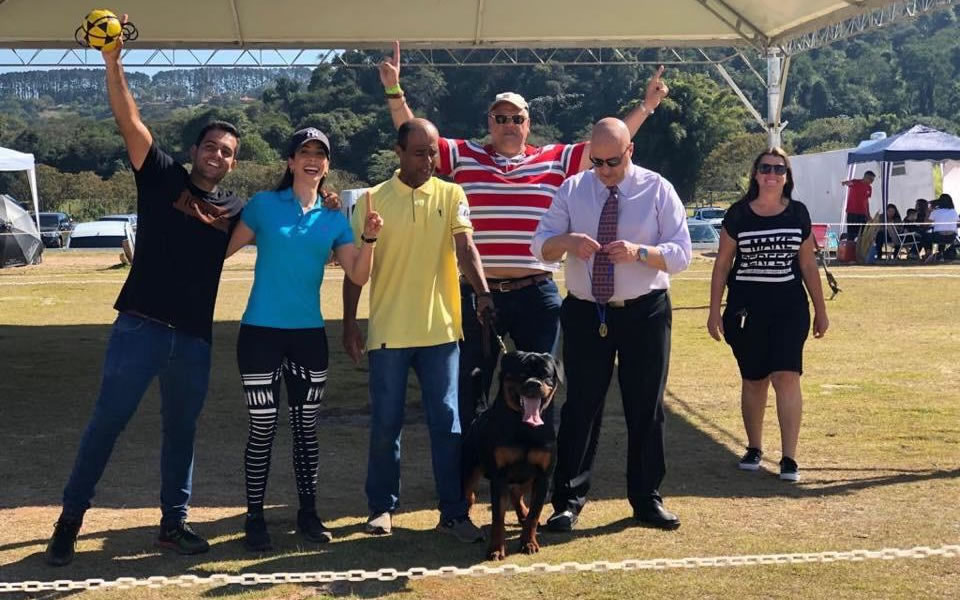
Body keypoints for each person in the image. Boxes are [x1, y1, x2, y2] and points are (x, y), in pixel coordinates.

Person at [378, 42, 670, 430]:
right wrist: (394, 90)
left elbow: (611, 145)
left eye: (517, 118)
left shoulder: (554, 159)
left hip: (536, 292)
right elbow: (416, 136)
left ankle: (535, 459)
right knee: (470, 386)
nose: (509, 125)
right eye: (500, 118)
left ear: (528, 124)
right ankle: (474, 459)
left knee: (540, 384)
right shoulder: (465, 155)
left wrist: (647, 106)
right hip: (479, 293)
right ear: (489, 123)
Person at [46, 16, 245, 566]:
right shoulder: (161, 176)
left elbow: (279, 216)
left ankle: (172, 525)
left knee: (181, 434)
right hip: (140, 326)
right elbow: (128, 119)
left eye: (228, 151)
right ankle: (68, 522)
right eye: (211, 146)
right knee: (106, 425)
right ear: (195, 149)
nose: (218, 155)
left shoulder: (235, 210)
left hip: (194, 340)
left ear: (233, 161)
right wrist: (113, 61)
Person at [224, 128, 383, 552]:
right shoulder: (263, 205)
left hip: (308, 338)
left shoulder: (333, 218)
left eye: (320, 154)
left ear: (327, 165)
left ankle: (308, 514)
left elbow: (358, 274)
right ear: (291, 161)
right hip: (259, 334)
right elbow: (220, 250)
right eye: (304, 152)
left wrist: (369, 238)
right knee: (262, 427)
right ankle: (254, 518)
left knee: (305, 429)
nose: (312, 160)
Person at [530, 118, 692, 532]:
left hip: (645, 311)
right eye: (597, 162)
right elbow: (540, 245)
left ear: (630, 151)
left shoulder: (658, 188)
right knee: (581, 407)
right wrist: (567, 242)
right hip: (586, 311)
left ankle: (646, 498)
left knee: (646, 406)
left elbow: (681, 254)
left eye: (612, 162)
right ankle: (567, 501)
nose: (603, 171)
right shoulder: (572, 189)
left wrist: (641, 253)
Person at [342, 118, 491, 542]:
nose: (429, 161)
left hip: (441, 333)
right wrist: (350, 323)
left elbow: (466, 248)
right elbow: (356, 270)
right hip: (388, 332)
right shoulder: (371, 200)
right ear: (399, 152)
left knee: (448, 425)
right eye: (420, 153)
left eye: (433, 153)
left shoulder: (452, 194)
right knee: (385, 425)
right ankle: (381, 508)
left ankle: (454, 512)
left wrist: (483, 293)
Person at [707, 148, 829, 483]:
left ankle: (789, 457)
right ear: (755, 174)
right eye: (765, 168)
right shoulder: (738, 214)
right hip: (747, 308)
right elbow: (723, 265)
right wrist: (714, 310)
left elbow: (808, 264)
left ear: (787, 176)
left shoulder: (798, 213)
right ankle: (754, 447)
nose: (771, 174)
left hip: (789, 307)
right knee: (754, 379)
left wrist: (821, 309)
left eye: (778, 169)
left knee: (787, 376)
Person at [842, 171, 874, 241]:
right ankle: (849, 244)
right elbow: (849, 183)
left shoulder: (869, 188)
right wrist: (844, 183)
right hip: (852, 213)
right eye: (871, 180)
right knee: (851, 234)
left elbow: (866, 201)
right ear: (865, 177)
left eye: (873, 180)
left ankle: (859, 247)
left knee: (862, 234)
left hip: (863, 214)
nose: (871, 182)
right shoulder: (856, 182)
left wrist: (868, 215)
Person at [928, 194, 958, 261]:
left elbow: (926, 224)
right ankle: (939, 253)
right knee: (938, 237)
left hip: (938, 237)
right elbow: (958, 223)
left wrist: (929, 211)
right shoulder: (954, 212)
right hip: (951, 237)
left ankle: (932, 254)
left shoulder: (935, 212)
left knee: (926, 237)